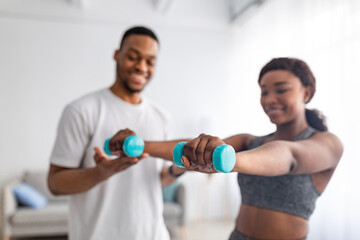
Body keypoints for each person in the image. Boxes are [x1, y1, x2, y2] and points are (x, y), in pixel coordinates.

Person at [106, 57, 343, 240]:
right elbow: (193, 148)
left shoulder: (327, 143)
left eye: (281, 89)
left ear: (307, 92)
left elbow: (289, 156)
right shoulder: (250, 141)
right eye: (264, 91)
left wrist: (230, 161)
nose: (270, 99)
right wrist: (137, 145)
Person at [47, 26, 186, 240]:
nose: (141, 67)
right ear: (116, 55)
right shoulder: (81, 110)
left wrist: (180, 168)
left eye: (150, 61)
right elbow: (55, 183)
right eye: (133, 57)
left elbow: (156, 180)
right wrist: (100, 173)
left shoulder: (162, 117)